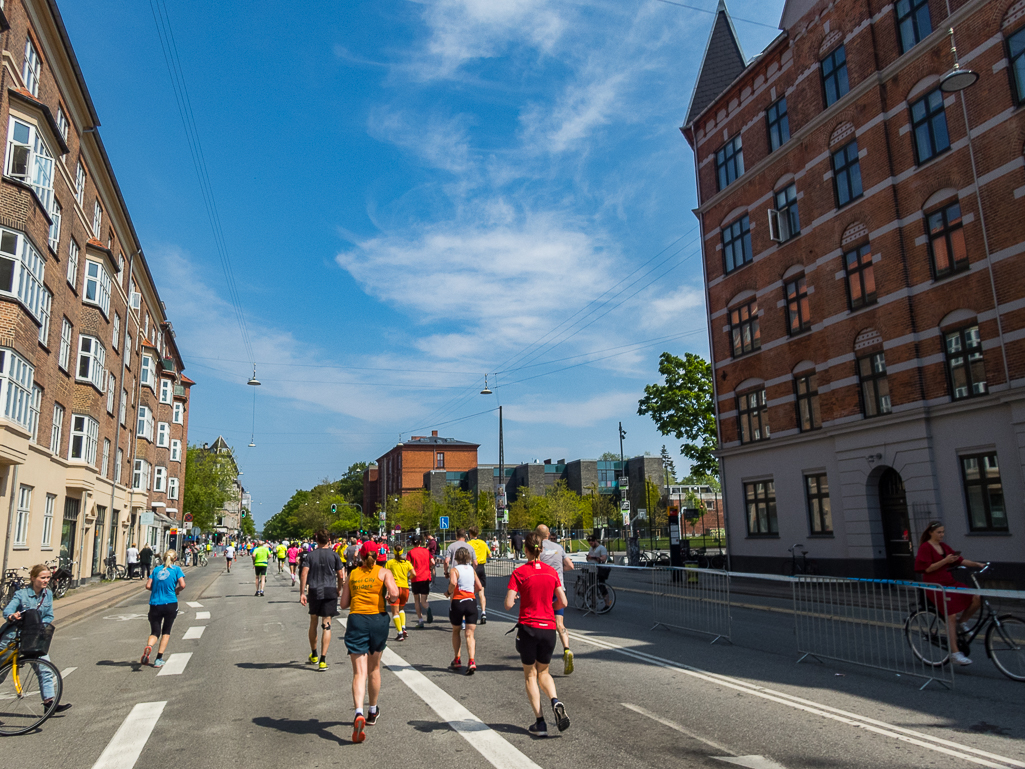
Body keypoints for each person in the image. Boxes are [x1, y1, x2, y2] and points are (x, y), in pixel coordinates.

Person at [505, 533, 570, 736]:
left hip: (529, 628)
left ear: (525, 550)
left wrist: (516, 597)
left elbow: (508, 604)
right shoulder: (552, 572)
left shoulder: (519, 573)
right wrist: (549, 606)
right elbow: (564, 602)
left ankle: (540, 723)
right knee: (544, 672)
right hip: (549, 628)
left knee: (530, 675)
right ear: (541, 549)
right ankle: (555, 700)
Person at [341, 542, 399, 743]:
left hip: (357, 619)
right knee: (374, 669)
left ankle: (358, 712)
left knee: (359, 672)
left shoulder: (353, 574)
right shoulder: (384, 572)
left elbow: (343, 604)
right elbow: (395, 594)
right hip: (378, 620)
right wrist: (387, 596)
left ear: (361, 556)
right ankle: (372, 712)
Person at [2, 564, 71, 713]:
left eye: (48, 577)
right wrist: (12, 615)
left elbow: (49, 615)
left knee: (45, 668)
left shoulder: (48, 594)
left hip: (33, 638)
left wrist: (39, 625)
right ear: (33, 578)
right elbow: (8, 609)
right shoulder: (22, 594)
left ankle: (49, 703)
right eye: (42, 578)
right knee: (1, 673)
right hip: (13, 637)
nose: (46, 580)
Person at [913, 521, 984, 666]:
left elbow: (960, 560)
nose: (941, 535)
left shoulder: (944, 547)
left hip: (949, 583)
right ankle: (955, 653)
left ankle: (962, 622)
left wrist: (977, 564)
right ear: (931, 533)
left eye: (943, 532)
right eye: (939, 532)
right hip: (935, 586)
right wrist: (945, 560)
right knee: (950, 615)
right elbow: (927, 569)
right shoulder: (925, 547)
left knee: (976, 597)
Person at [300, 529, 344, 671]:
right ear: (329, 540)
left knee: (313, 621)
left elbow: (304, 574)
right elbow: (341, 575)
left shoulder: (311, 555)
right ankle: (323, 660)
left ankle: (314, 654)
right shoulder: (334, 555)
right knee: (327, 624)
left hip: (314, 590)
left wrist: (302, 592)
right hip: (330, 589)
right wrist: (339, 588)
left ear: (316, 540)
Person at [536, 525, 575, 675]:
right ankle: (566, 649)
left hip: (543, 588)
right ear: (548, 534)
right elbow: (570, 565)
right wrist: (558, 571)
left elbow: (535, 566)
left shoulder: (538, 548)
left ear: (538, 535)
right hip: (559, 588)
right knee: (559, 623)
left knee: (541, 622)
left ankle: (542, 657)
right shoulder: (559, 547)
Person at [142, 550, 185, 668]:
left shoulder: (156, 570)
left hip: (155, 604)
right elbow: (182, 584)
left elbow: (148, 586)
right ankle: (158, 659)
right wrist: (177, 591)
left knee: (155, 632)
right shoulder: (176, 570)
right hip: (170, 603)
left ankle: (149, 646)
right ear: (175, 559)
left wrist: (156, 591)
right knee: (166, 632)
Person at [447, 547, 483, 673]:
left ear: (456, 557)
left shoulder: (455, 570)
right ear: (468, 557)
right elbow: (479, 586)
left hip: (458, 602)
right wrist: (471, 592)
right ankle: (472, 661)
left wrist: (448, 592)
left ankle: (457, 659)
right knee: (470, 634)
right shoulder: (472, 570)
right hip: (471, 602)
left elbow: (453, 583)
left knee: (456, 631)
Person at [385, 548, 415, 641]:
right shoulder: (406, 562)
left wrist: (387, 591)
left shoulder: (390, 563)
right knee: (401, 609)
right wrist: (408, 578)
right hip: (405, 588)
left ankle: (400, 633)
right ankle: (403, 627)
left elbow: (385, 576)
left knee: (395, 612)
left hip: (395, 588)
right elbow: (414, 573)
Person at [407, 536, 433, 628]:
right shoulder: (426, 551)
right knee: (423, 600)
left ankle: (421, 621)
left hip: (415, 578)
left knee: (416, 600)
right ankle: (427, 607)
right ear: (420, 542)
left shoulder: (410, 553)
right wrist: (429, 567)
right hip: (425, 577)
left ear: (412, 543)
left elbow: (408, 565)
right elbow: (433, 562)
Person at [466, 526, 489, 624]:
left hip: (472, 567)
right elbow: (490, 554)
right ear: (478, 533)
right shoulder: (483, 543)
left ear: (470, 534)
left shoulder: (468, 544)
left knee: (471, 591)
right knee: (481, 592)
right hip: (481, 568)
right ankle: (483, 612)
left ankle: (470, 612)